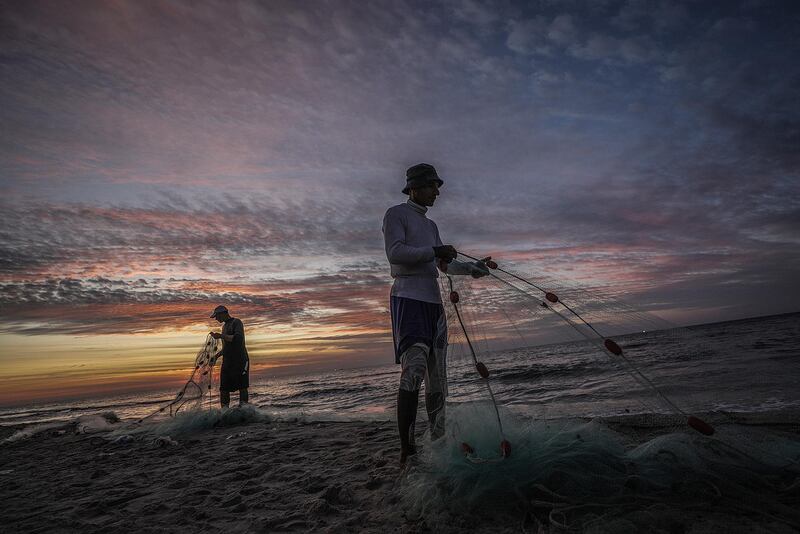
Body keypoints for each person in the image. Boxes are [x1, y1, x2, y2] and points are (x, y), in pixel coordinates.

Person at [382, 163, 488, 464]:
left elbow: (442, 266)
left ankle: (437, 441)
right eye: (431, 186)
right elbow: (396, 253)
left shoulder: (431, 226)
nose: (437, 191)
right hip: (408, 298)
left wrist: (471, 268)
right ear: (413, 187)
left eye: (437, 186)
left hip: (434, 302)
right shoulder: (395, 214)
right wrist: (435, 252)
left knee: (438, 377)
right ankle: (407, 448)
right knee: (413, 371)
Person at [209, 305, 250, 408]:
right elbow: (227, 347)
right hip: (228, 362)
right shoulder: (224, 327)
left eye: (217, 316)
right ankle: (224, 413)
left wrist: (221, 336)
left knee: (242, 387)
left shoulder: (237, 322)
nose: (216, 319)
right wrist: (216, 356)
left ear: (223, 313)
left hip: (240, 360)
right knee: (224, 389)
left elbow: (237, 339)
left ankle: (245, 411)